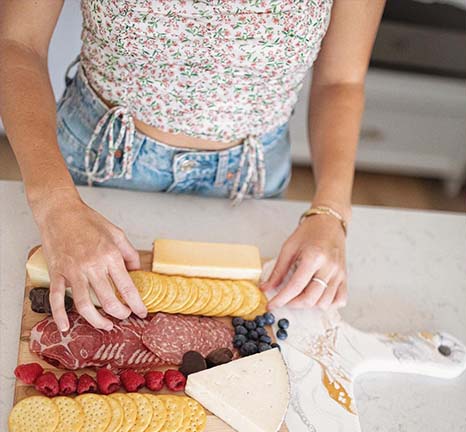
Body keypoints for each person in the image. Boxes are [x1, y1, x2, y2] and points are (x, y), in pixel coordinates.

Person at [0, 0, 384, 332]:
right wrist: (55, 205)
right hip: (93, 164)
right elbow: (18, 44)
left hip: (250, 180)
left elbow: (341, 81)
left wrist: (332, 210)